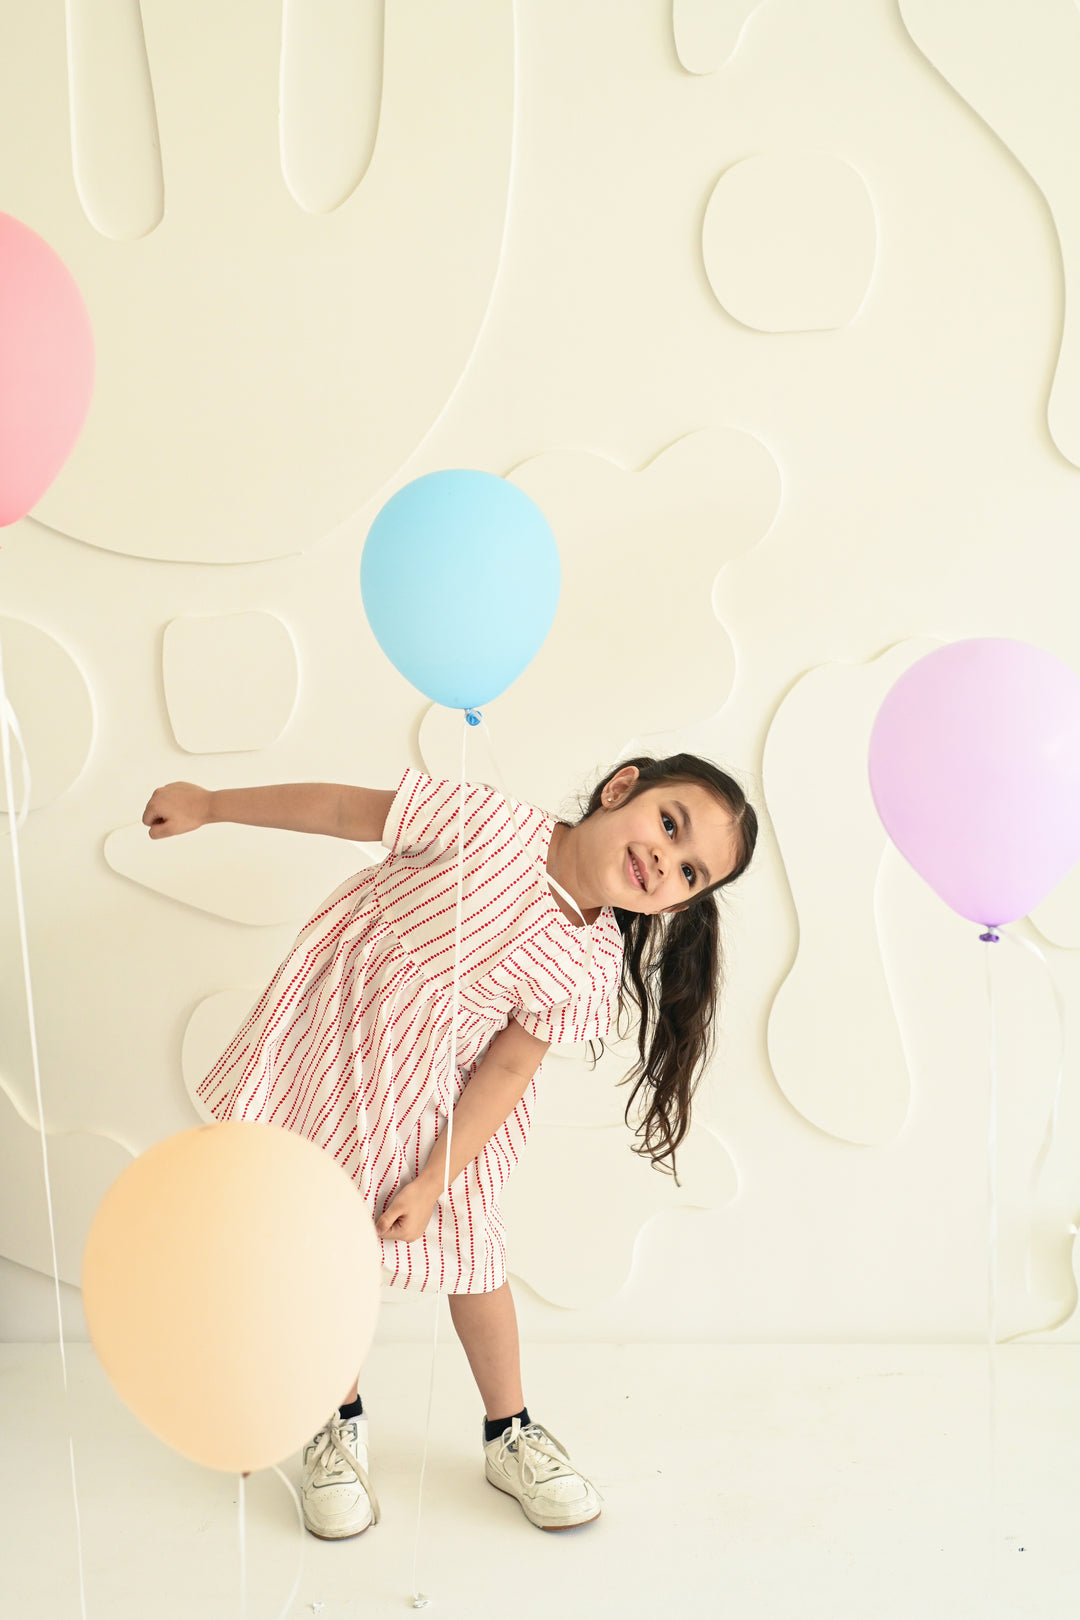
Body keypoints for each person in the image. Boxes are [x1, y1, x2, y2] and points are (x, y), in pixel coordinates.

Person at [142, 753, 757, 1538]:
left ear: (682, 903)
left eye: (689, 873)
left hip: (443, 1107)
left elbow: (507, 1066)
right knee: (315, 1234)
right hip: (336, 1050)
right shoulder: (485, 820)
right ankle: (336, 1417)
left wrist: (438, 1173)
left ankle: (511, 1433)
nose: (663, 861)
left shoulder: (591, 963)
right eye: (670, 826)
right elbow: (340, 808)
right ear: (622, 787)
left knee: (472, 1258)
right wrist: (212, 803)